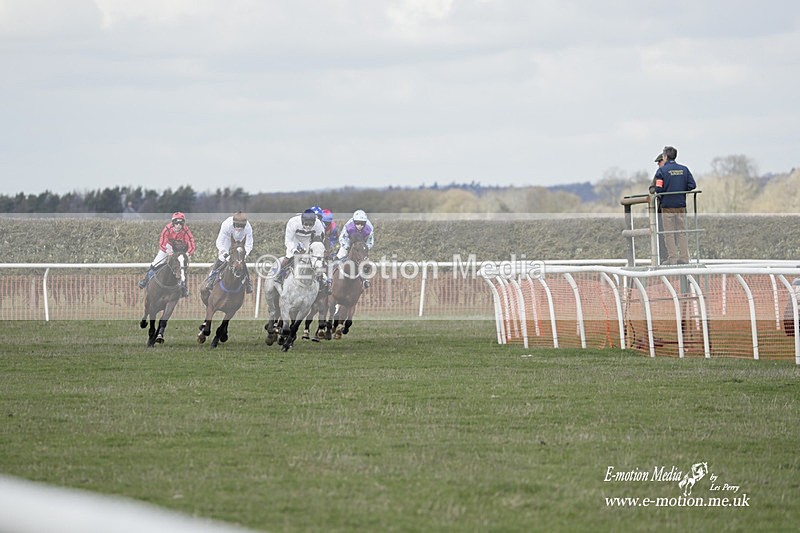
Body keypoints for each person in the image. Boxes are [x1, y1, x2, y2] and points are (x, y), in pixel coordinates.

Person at [653, 146, 696, 265]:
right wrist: (681, 190)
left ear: (665, 156)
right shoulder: (684, 169)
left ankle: (673, 258)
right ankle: (684, 258)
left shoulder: (661, 171)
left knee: (669, 233)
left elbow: (658, 189)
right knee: (682, 232)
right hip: (681, 206)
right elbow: (692, 185)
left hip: (667, 207)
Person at [137, 211, 196, 296]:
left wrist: (188, 253)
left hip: (180, 249)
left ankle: (184, 288)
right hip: (168, 247)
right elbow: (162, 242)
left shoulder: (186, 230)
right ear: (173, 223)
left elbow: (191, 243)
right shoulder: (167, 229)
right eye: (176, 223)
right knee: (156, 263)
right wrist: (167, 251)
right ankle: (145, 280)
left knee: (182, 267)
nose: (178, 226)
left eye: (180, 223)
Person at [205, 211, 254, 293]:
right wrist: (225, 254)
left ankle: (248, 283)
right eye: (237, 226)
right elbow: (219, 242)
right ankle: (211, 279)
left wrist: (243, 256)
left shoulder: (248, 227)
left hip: (240, 244)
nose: (239, 229)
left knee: (241, 262)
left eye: (241, 227)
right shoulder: (226, 225)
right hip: (227, 242)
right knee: (221, 259)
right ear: (233, 223)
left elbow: (249, 244)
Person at [273, 209, 326, 285]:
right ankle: (279, 276)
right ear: (302, 221)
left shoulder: (318, 224)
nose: (308, 226)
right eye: (306, 224)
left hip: (309, 239)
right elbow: (288, 240)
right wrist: (294, 250)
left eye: (310, 225)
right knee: (289, 257)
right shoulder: (293, 222)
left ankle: (322, 278)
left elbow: (319, 241)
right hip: (295, 238)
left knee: (316, 259)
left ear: (314, 222)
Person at [336, 209, 374, 288]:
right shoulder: (349, 226)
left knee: (365, 261)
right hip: (349, 242)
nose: (360, 226)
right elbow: (342, 238)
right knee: (340, 255)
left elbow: (370, 242)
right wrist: (347, 247)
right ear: (354, 222)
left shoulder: (369, 229)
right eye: (357, 223)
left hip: (361, 244)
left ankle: (365, 280)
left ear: (365, 223)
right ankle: (330, 277)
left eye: (362, 224)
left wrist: (363, 249)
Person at [649, 153, 668, 264]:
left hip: (668, 208)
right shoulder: (658, 174)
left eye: (659, 162)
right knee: (662, 234)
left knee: (674, 234)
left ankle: (671, 257)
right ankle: (664, 257)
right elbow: (651, 189)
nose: (658, 164)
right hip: (662, 208)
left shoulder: (664, 172)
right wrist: (659, 188)